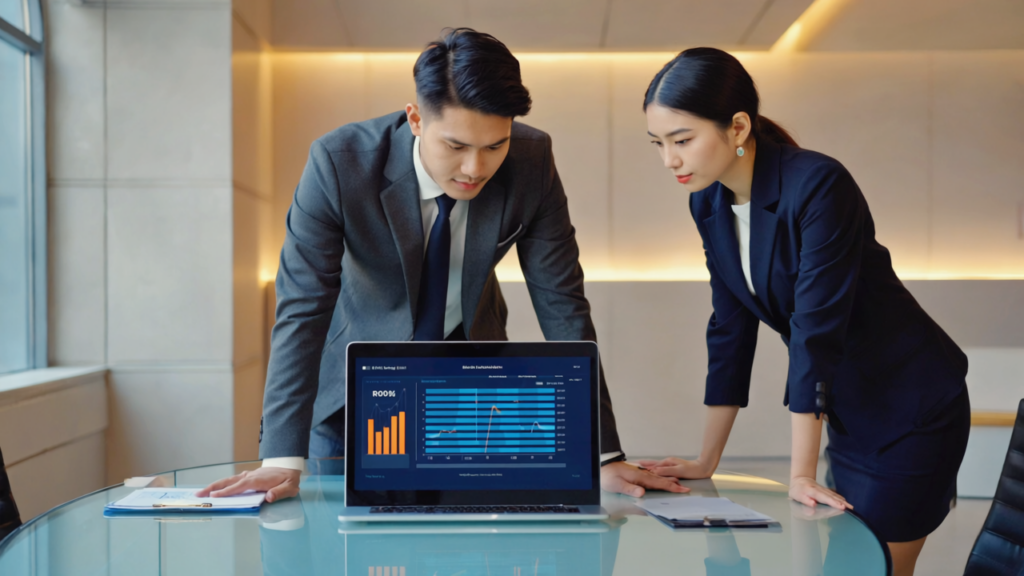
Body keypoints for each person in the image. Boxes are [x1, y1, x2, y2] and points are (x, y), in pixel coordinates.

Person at [198, 28, 685, 503]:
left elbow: (564, 307)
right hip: (355, 392)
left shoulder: (532, 161)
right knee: (343, 542)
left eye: (494, 145)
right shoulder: (339, 163)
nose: (475, 168)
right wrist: (282, 459)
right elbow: (303, 309)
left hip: (470, 389)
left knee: (470, 541)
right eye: (455, 146)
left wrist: (604, 452)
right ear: (415, 118)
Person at [638, 48, 970, 576]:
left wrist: (800, 474)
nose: (669, 160)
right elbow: (730, 329)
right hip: (847, 409)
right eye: (658, 144)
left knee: (876, 568)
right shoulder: (707, 203)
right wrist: (706, 460)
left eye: (682, 140)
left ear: (738, 126)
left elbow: (815, 331)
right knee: (843, 565)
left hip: (911, 406)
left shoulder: (817, 184)